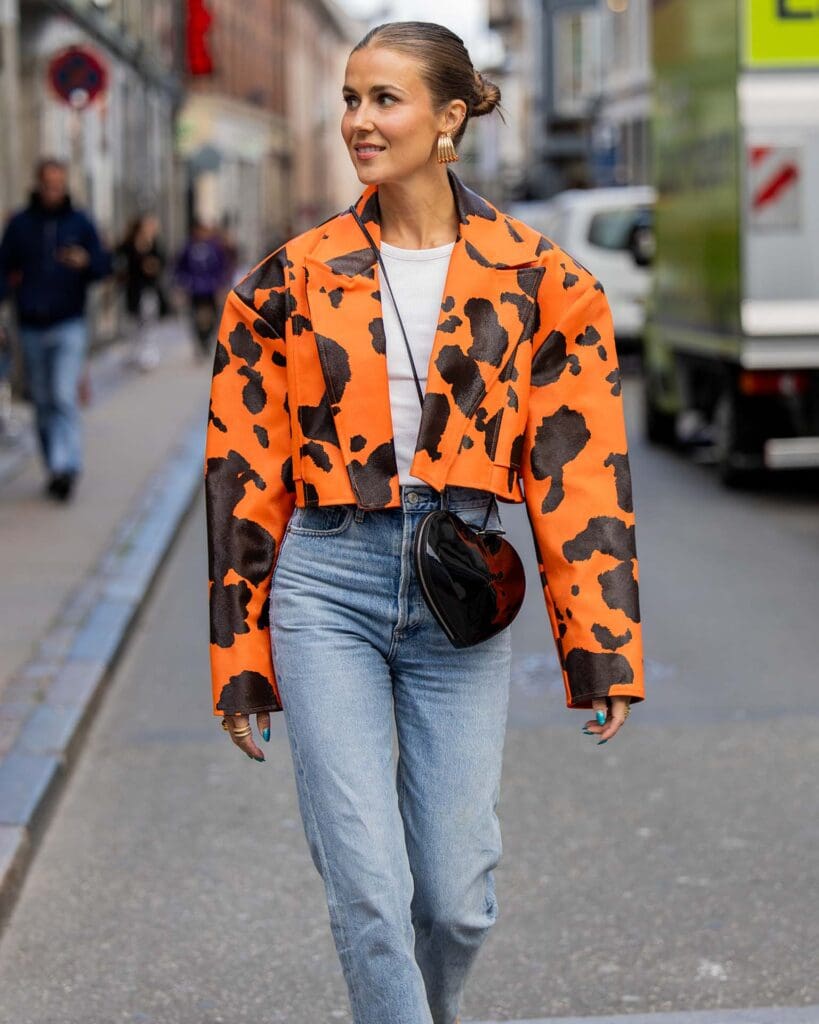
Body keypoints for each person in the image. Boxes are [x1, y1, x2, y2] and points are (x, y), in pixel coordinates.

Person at [204, 21, 645, 1024]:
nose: (359, 120)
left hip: (461, 592)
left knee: (455, 898)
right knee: (367, 890)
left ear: (450, 118)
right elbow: (242, 476)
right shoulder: (286, 283)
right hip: (327, 585)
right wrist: (241, 656)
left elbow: (581, 474)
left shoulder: (545, 282)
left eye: (384, 99)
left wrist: (603, 645)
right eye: (352, 98)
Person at [0, 158, 112, 500]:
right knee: (43, 400)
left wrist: (86, 262)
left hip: (69, 323)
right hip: (31, 325)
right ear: (37, 184)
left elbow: (104, 265)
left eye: (58, 184)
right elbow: (3, 269)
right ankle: (54, 464)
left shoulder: (79, 223)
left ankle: (67, 465)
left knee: (63, 394)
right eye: (47, 184)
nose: (53, 191)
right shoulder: (21, 224)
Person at [116, 213, 169, 371]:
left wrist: (154, 266)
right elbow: (121, 259)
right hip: (133, 290)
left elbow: (162, 263)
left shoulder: (154, 244)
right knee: (134, 323)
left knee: (148, 321)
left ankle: (148, 356)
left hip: (149, 289)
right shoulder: (130, 244)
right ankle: (135, 353)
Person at [173, 220, 228, 360]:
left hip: (211, 288)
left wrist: (221, 285)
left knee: (212, 316)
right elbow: (180, 267)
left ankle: (207, 339)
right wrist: (182, 285)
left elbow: (222, 267)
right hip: (195, 289)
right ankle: (201, 341)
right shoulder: (188, 247)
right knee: (196, 316)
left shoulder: (215, 247)